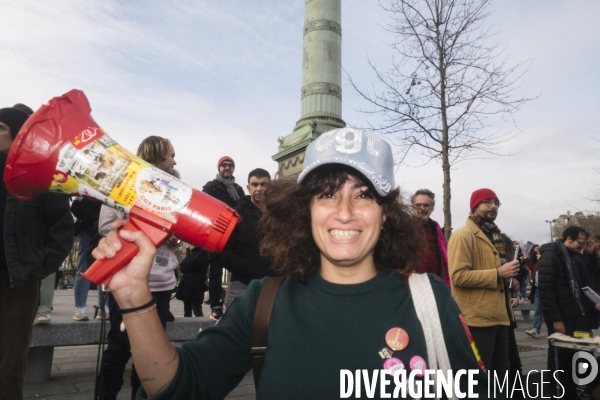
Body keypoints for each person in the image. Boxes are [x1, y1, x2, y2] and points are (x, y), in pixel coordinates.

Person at [93, 128, 491, 399]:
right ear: (305, 212)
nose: (345, 213)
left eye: (364, 195)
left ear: (386, 213)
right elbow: (178, 386)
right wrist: (133, 295)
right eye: (327, 195)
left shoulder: (430, 301)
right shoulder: (263, 302)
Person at [96, 136, 180, 400]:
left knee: (151, 352)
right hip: (128, 284)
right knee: (119, 349)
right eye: (170, 155)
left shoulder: (175, 190)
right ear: (157, 157)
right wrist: (144, 230)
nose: (175, 161)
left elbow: (179, 231)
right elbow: (104, 226)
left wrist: (174, 237)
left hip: (162, 283)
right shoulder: (122, 186)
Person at [0, 107, 74, 399]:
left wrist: (38, 269)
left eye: (0, 127)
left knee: (9, 364)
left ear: (18, 134)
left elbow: (62, 229)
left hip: (16, 283)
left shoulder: (40, 175)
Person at [447, 188, 520, 395]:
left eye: (496, 202)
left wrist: (509, 281)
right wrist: (498, 273)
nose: (493, 206)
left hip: (501, 316)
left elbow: (498, 274)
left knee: (501, 377)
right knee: (478, 377)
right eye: (487, 202)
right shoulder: (463, 235)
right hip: (477, 318)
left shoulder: (496, 236)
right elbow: (458, 277)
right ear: (474, 206)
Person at [538, 226, 600, 398]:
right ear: (569, 239)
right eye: (581, 243)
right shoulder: (551, 256)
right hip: (560, 317)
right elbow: (546, 291)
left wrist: (589, 252)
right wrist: (556, 319)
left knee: (572, 358)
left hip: (576, 316)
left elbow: (589, 278)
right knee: (558, 359)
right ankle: (557, 393)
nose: (582, 246)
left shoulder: (575, 257)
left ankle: (570, 393)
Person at [218, 168, 272, 310]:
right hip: (242, 285)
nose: (259, 188)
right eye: (255, 184)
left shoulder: (278, 216)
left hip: (272, 286)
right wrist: (248, 267)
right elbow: (223, 252)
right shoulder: (236, 215)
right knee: (237, 331)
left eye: (264, 184)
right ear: (248, 188)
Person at [202, 156, 245, 321]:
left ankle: (236, 304)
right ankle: (216, 307)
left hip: (235, 236)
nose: (227, 168)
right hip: (217, 233)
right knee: (215, 271)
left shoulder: (239, 189)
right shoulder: (211, 186)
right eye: (224, 165)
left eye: (230, 165)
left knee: (237, 269)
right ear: (219, 168)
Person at [71, 196, 103, 320]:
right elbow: (76, 206)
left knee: (102, 268)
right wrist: (98, 220)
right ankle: (80, 307)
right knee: (84, 268)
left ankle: (101, 306)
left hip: (98, 228)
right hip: (90, 229)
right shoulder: (87, 192)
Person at [410, 188, 449, 284]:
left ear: (432, 207)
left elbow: (444, 255)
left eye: (426, 205)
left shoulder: (435, 227)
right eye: (418, 205)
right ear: (412, 206)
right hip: (413, 284)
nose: (422, 208)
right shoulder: (406, 227)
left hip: (437, 282)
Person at [525, 244, 543, 338]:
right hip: (537, 289)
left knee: (541, 310)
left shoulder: (545, 263)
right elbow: (532, 268)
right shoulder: (538, 263)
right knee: (537, 310)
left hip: (544, 290)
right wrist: (526, 260)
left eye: (538, 253)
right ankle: (535, 329)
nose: (537, 255)